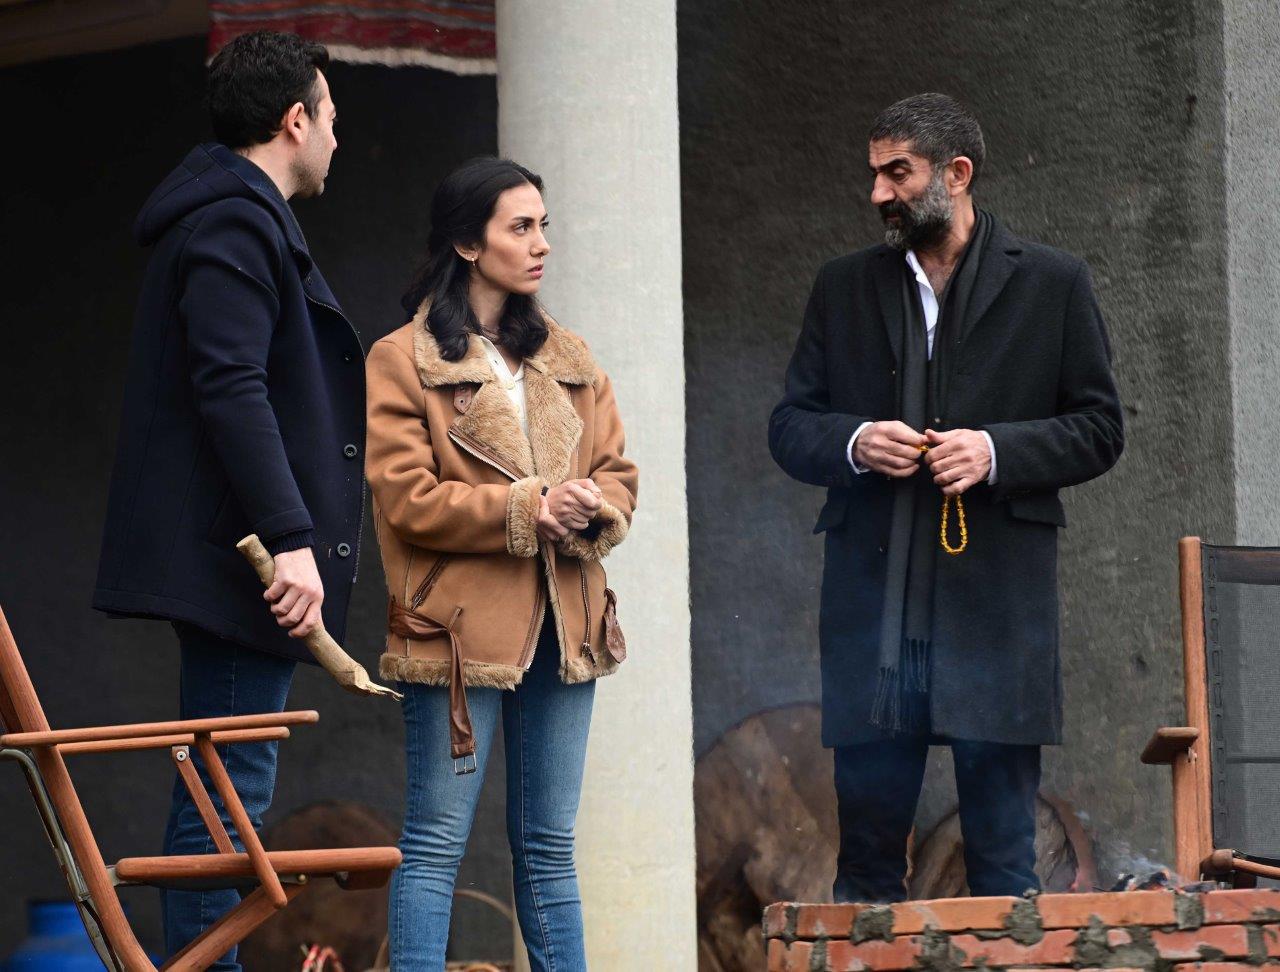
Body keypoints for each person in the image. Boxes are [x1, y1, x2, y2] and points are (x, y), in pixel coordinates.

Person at [768, 93, 1123, 902]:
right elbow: (790, 427)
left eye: (898, 173)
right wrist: (856, 441)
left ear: (956, 174)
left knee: (1002, 870)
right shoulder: (841, 286)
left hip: (996, 617)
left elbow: (1101, 429)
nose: (879, 193)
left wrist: (996, 451)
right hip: (875, 621)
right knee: (866, 872)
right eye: (875, 174)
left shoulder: (1054, 283)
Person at [91, 30, 361, 968]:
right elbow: (232, 386)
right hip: (239, 565)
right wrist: (291, 539)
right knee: (225, 802)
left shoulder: (232, 219)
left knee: (222, 796)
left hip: (237, 558)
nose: (338, 137)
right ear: (295, 121)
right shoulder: (236, 223)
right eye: (331, 117)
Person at [365, 157, 638, 969]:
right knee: (434, 842)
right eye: (521, 227)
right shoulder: (402, 359)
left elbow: (619, 473)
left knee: (550, 847)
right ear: (467, 243)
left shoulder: (570, 358)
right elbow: (406, 498)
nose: (542, 243)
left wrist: (592, 504)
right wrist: (526, 508)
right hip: (457, 634)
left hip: (567, 624)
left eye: (543, 225)